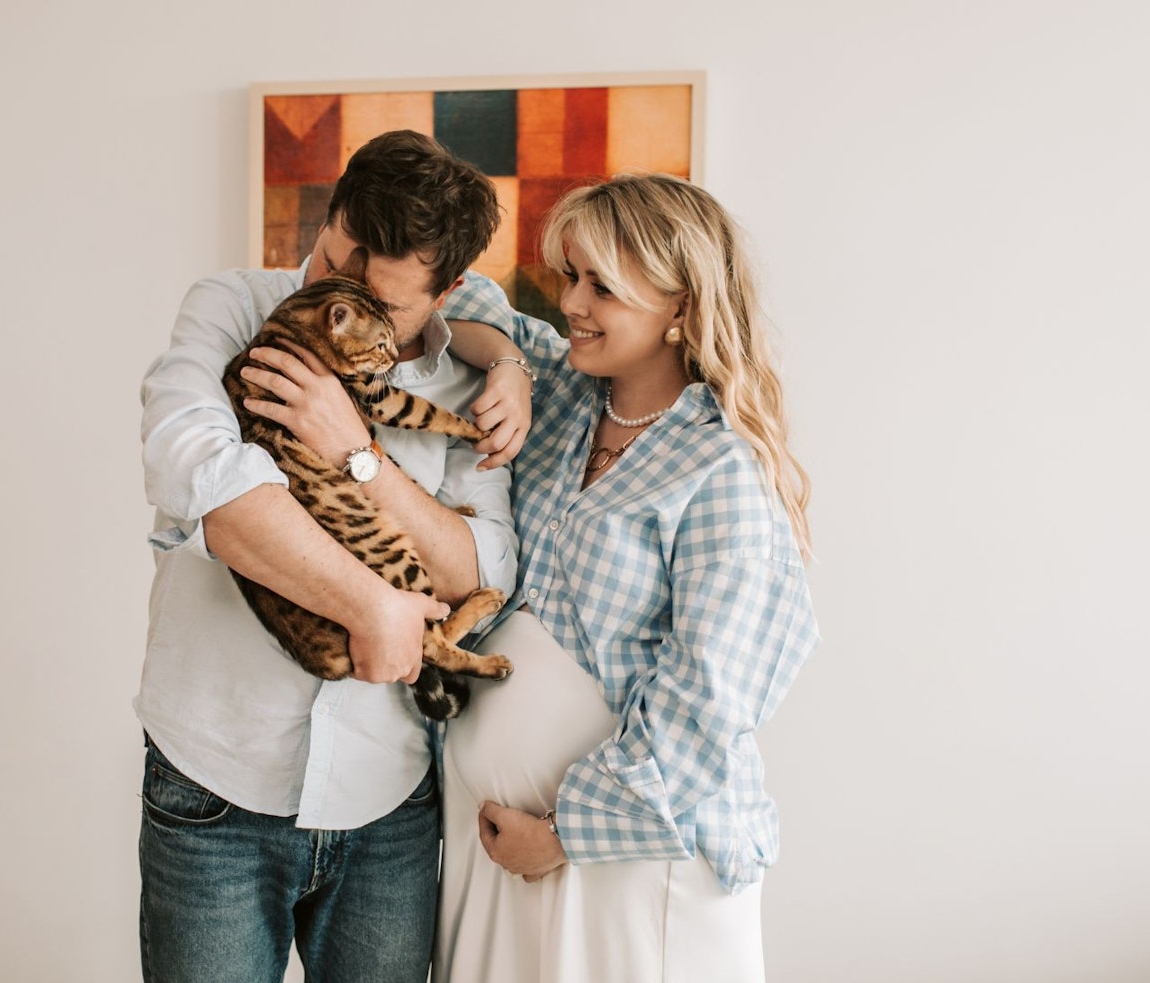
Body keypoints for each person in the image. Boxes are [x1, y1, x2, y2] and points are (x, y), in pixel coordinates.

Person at [133, 129, 522, 983]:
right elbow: (199, 477)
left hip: (388, 807)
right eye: (328, 258)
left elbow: (483, 570)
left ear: (447, 290)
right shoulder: (231, 305)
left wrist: (360, 456)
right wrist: (371, 606)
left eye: (373, 295)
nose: (332, 299)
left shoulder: (472, 379)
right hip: (213, 787)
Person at [429, 173, 822, 982]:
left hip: (630, 859)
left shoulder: (722, 467)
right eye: (569, 274)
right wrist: (505, 361)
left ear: (680, 307)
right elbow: (457, 308)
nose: (569, 301)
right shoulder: (566, 395)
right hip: (497, 852)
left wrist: (568, 830)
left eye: (600, 285)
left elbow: (711, 694)